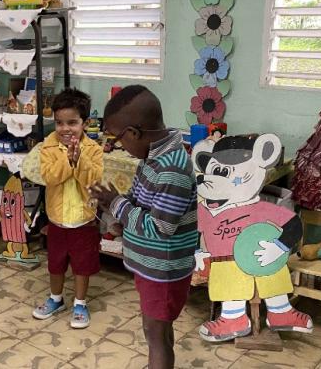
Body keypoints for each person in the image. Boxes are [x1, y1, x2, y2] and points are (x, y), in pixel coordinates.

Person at [90, 85, 198, 369]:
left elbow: (160, 227)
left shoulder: (172, 169)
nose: (114, 146)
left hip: (164, 271)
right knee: (157, 330)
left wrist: (117, 204)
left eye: (116, 139)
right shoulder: (150, 159)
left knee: (155, 334)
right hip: (151, 266)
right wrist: (112, 204)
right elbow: (138, 205)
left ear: (134, 133)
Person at [32, 88, 103, 329]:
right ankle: (56, 299)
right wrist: (67, 160)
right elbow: (49, 177)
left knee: (83, 265)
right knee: (56, 263)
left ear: (85, 123)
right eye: (59, 122)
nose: (65, 129)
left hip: (84, 220)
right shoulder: (48, 147)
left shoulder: (93, 149)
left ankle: (80, 303)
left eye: (72, 122)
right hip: (57, 219)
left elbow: (93, 180)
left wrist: (79, 160)